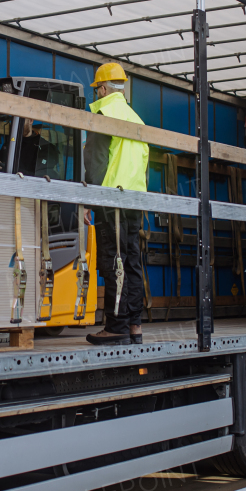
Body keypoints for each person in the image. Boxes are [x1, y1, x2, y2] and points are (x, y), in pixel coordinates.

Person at [82, 63, 149, 346]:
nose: (97, 92)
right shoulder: (136, 119)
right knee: (132, 263)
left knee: (113, 263)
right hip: (134, 201)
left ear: (103, 88)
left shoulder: (103, 114)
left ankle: (116, 325)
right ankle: (134, 324)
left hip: (111, 201)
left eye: (97, 88)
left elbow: (96, 162)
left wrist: (89, 201)